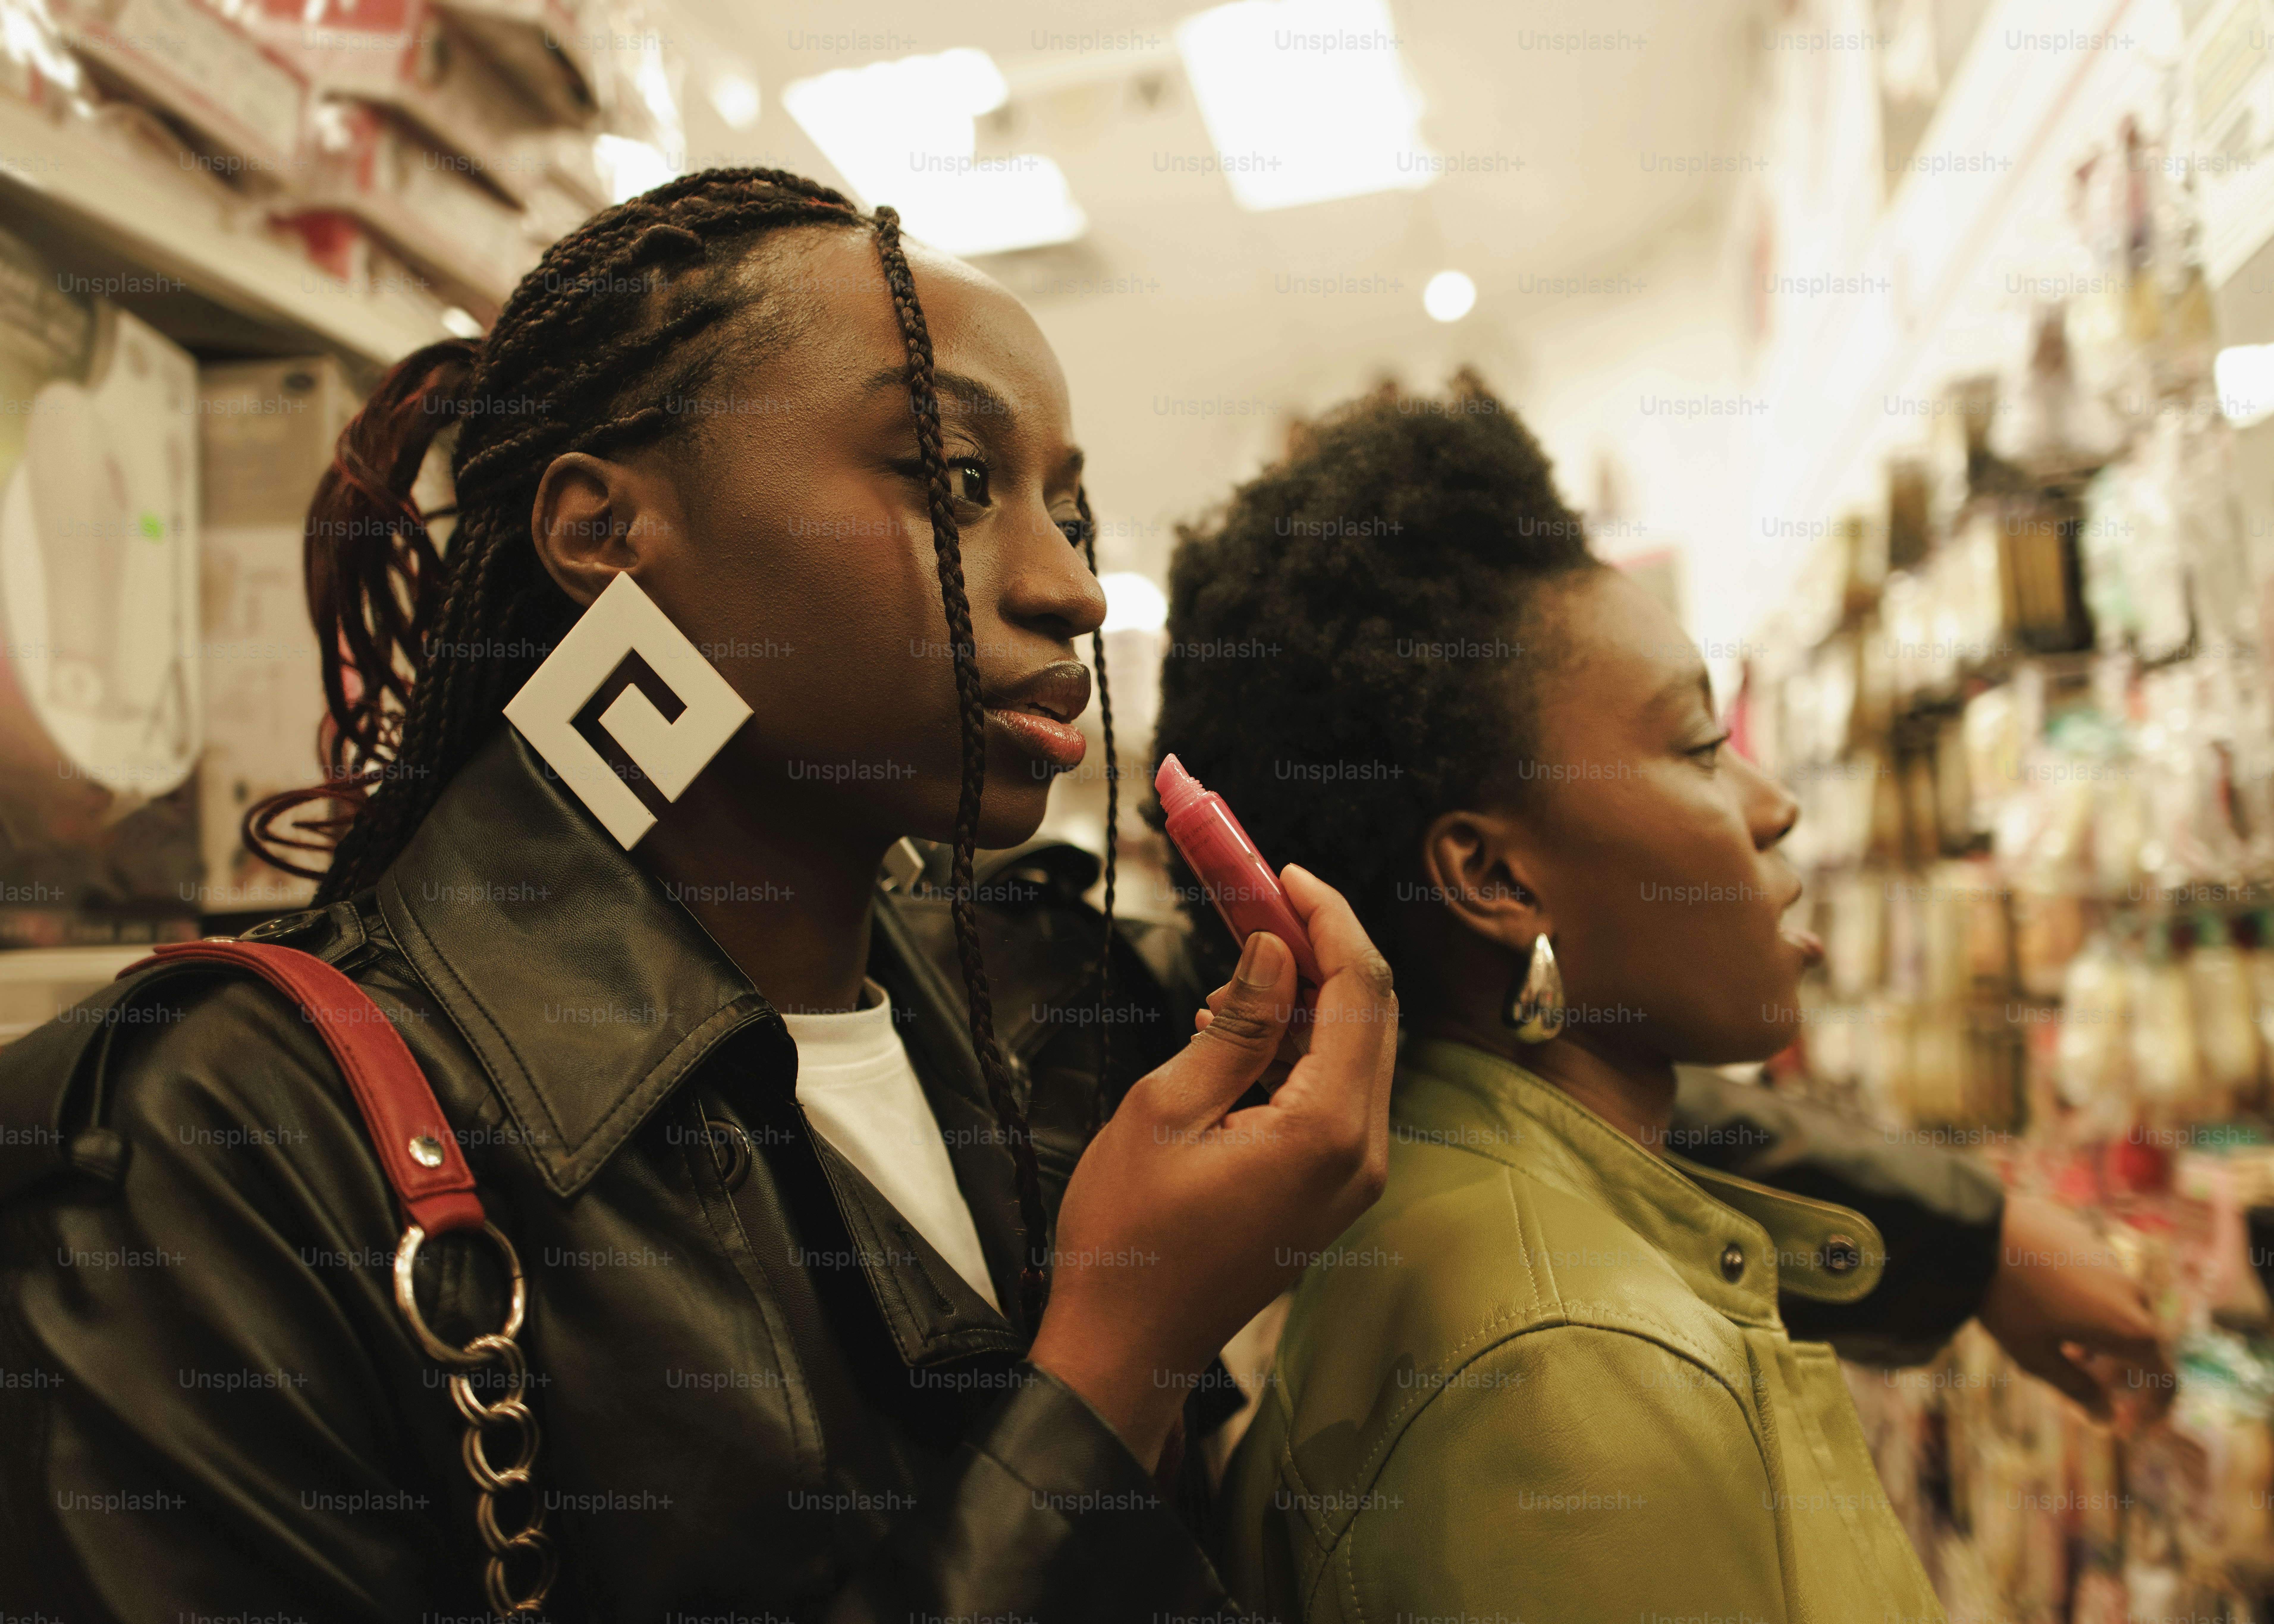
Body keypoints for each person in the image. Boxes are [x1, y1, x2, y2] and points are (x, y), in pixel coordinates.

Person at [0, 169, 1399, 1619]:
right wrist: (1119, 1362)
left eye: (1073, 508)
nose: (1072, 588)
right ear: (605, 531)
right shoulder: (222, 1152)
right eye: (956, 479)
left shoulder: (1054, 1027)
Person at [1149, 375, 2168, 1622]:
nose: (1770, 803)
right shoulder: (1571, 1374)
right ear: (1494, 875)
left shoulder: (1449, 1203)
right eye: (1696, 744)